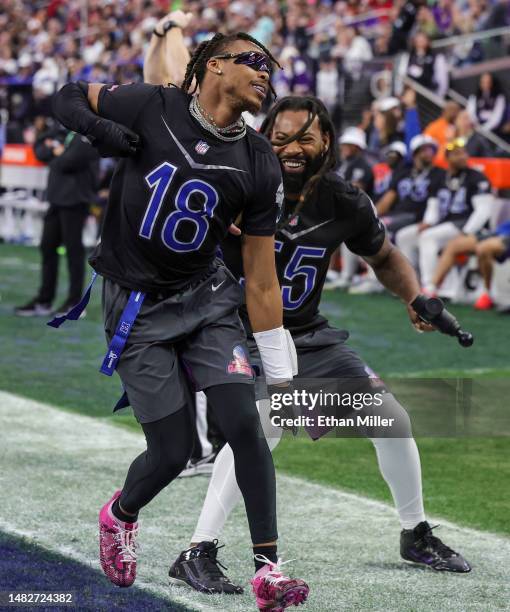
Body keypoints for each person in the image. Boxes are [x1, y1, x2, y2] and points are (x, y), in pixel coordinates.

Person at [145, 23, 472, 596]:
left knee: (391, 420)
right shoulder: (238, 171)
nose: (292, 149)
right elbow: (178, 99)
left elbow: (386, 255)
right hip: (229, 330)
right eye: (282, 137)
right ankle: (198, 549)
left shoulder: (343, 200)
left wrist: (417, 297)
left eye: (306, 139)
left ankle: (414, 531)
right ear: (263, 136)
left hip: (307, 335)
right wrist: (171, 38)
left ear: (329, 142)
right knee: (260, 427)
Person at [52, 30, 310, 612]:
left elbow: (262, 277)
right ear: (214, 66)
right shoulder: (155, 105)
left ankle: (269, 570)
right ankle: (120, 514)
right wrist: (99, 128)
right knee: (170, 452)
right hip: (137, 305)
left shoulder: (260, 159)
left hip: (206, 300)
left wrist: (281, 369)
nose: (267, 73)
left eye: (272, 65)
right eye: (254, 61)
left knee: (243, 420)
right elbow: (67, 95)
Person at [15, 124, 99, 317]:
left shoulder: (90, 131)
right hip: (55, 198)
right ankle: (44, 300)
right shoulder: (62, 130)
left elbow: (69, 161)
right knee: (47, 247)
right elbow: (39, 149)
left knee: (73, 251)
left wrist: (53, 151)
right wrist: (56, 150)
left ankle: (74, 302)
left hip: (76, 198)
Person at [396, 138, 494, 294]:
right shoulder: (441, 178)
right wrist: (428, 221)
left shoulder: (477, 177)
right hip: (445, 224)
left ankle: (429, 286)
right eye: (456, 154)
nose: (462, 157)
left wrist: (466, 232)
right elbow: (433, 205)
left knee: (428, 237)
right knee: (404, 236)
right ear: (448, 158)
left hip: (465, 224)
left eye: (463, 153)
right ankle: (412, 281)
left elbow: (483, 210)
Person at [353, 134, 445, 295]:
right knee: (365, 225)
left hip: (416, 216)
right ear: (416, 152)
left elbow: (435, 201)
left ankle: (375, 280)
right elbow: (389, 197)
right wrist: (369, 214)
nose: (430, 153)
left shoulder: (438, 173)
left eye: (432, 149)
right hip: (398, 214)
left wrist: (429, 221)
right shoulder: (404, 172)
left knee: (380, 229)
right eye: (425, 150)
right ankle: (382, 277)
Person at [429, 219, 510, 309]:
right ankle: (431, 289)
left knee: (483, 248)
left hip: (506, 236)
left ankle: (486, 293)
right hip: (500, 231)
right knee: (454, 244)